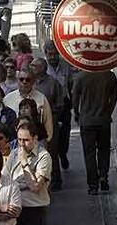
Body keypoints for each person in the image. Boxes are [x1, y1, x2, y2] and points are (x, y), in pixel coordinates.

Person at [72, 70, 117, 195]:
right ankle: (103, 176)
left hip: (87, 121)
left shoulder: (81, 76)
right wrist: (108, 112)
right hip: (103, 120)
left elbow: (75, 99)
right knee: (104, 149)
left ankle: (93, 185)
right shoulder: (109, 75)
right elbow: (114, 98)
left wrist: (77, 114)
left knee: (89, 154)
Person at [30, 57, 65, 190]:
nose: (32, 68)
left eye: (35, 66)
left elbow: (60, 103)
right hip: (33, 124)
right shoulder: (30, 82)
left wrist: (51, 112)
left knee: (51, 150)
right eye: (32, 66)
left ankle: (56, 179)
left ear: (43, 68)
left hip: (49, 120)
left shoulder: (53, 83)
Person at [4, 68, 53, 143]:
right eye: (21, 79)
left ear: (33, 81)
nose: (24, 82)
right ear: (17, 81)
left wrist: (47, 140)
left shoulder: (41, 99)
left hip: (36, 142)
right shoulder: (8, 99)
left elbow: (48, 122)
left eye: (28, 80)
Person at [44, 39, 73, 170]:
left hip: (64, 104)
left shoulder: (65, 66)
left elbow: (70, 83)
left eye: (55, 54)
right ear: (45, 54)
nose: (53, 57)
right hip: (50, 105)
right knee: (53, 135)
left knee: (65, 133)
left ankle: (63, 153)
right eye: (50, 54)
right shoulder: (43, 67)